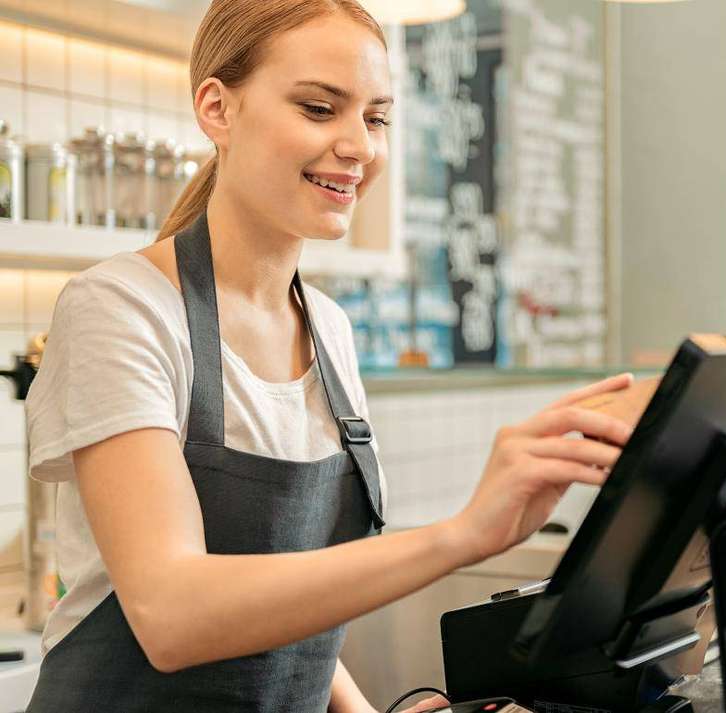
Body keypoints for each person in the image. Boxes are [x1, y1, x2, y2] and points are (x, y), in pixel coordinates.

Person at [22, 1, 635, 711]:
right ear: (217, 109)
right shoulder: (120, 308)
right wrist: (463, 534)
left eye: (376, 119)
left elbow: (287, 606)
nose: (361, 147)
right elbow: (173, 614)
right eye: (320, 108)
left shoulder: (331, 331)